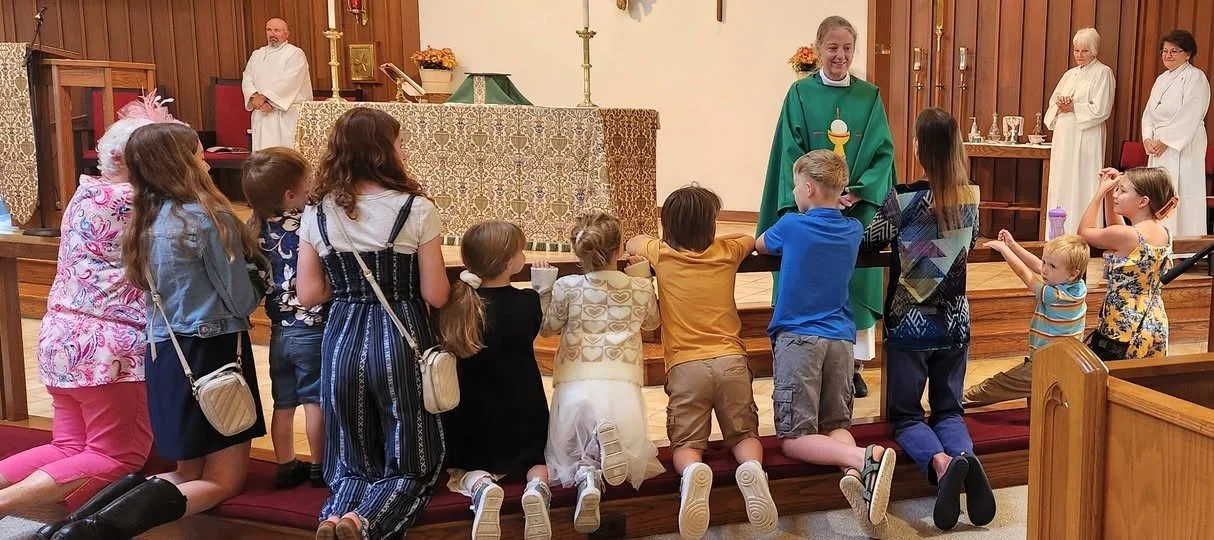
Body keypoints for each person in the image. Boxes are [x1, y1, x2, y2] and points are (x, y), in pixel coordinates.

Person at [51, 122, 269, 539]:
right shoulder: (208, 217)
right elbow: (240, 301)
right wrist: (260, 272)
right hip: (213, 350)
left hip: (165, 352)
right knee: (225, 480)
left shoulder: (144, 218)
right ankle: (96, 530)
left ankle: (71, 525)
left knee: (187, 470)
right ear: (181, 161)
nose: (204, 160)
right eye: (198, 153)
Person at [0, 94, 177, 537]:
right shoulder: (138, 202)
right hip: (108, 347)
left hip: (61, 335)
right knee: (117, 456)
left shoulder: (86, 191)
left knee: (69, 445)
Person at [296, 107, 449, 539]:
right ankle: (364, 523)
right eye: (398, 143)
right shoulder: (415, 209)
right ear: (383, 151)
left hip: (342, 333)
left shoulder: (318, 212)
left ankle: (334, 516)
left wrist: (346, 289)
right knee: (411, 458)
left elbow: (308, 294)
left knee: (351, 457)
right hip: (400, 332)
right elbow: (435, 293)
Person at [861, 108, 995, 531]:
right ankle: (963, 457)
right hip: (955, 321)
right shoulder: (970, 196)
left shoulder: (902, 198)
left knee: (905, 417)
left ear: (918, 148)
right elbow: (968, 241)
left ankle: (939, 463)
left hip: (910, 323)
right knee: (949, 411)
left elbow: (869, 239)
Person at [755, 151, 895, 537]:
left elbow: (761, 244)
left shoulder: (792, 225)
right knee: (836, 423)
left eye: (798, 185)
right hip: (840, 341)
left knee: (793, 439)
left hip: (800, 339)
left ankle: (864, 457)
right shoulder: (851, 230)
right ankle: (861, 479)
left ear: (810, 187)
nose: (795, 191)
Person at [625, 186, 778, 539]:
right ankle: (753, 468)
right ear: (711, 226)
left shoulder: (661, 254)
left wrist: (648, 247)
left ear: (668, 227)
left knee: (687, 442)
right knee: (743, 434)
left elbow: (634, 242)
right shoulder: (727, 250)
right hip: (732, 361)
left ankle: (692, 472)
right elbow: (749, 238)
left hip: (686, 368)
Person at [758, 15, 896, 398]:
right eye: (832, 48)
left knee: (856, 279)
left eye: (847, 48)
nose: (840, 55)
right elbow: (790, 149)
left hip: (856, 206)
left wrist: (859, 190)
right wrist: (821, 195)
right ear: (818, 50)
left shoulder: (869, 96)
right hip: (814, 208)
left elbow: (883, 154)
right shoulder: (800, 95)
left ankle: (852, 365)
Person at [542, 211, 664, 535]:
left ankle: (588, 479)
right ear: (618, 251)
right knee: (623, 446)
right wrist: (641, 275)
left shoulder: (567, 286)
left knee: (568, 455)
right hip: (620, 386)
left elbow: (548, 328)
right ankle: (607, 444)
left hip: (575, 385)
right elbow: (652, 322)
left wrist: (543, 290)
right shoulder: (637, 288)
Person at [438, 221, 556, 540]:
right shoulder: (526, 302)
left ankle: (480, 485)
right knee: (536, 459)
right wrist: (543, 286)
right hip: (524, 410)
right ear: (508, 263)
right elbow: (541, 325)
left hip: (472, 414)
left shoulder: (458, 304)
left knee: (462, 467)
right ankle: (537, 489)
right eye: (520, 251)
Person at [241, 148, 328, 489]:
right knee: (315, 401)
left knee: (284, 402)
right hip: (311, 328)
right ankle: (319, 465)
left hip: (280, 331)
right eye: (307, 184)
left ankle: (286, 464)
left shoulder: (254, 229)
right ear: (290, 195)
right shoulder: (307, 222)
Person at [964, 233, 1089, 407]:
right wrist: (1014, 245)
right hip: (1063, 362)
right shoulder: (1078, 286)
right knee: (1040, 398)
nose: (1044, 269)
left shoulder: (1055, 295)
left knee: (995, 385)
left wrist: (1004, 250)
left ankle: (954, 402)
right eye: (1045, 261)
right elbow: (1038, 266)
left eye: (1052, 266)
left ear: (1072, 274)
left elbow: (1025, 273)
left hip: (1047, 364)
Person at [1078, 167, 1177, 360]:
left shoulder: (1127, 235)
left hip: (1124, 321)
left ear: (1143, 201)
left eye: (1122, 191)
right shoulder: (1163, 232)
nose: (1116, 194)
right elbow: (1117, 230)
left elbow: (1085, 231)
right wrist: (1110, 195)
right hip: (1154, 318)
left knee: (1114, 380)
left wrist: (1099, 192)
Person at [1044, 28, 1116, 233]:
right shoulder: (1069, 74)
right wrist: (1060, 105)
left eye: (1084, 51)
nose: (1079, 55)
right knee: (1062, 182)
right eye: (1076, 50)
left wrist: (1074, 106)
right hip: (1065, 136)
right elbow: (1053, 104)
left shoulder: (1103, 73)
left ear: (1094, 51)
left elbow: (1102, 108)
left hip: (1086, 137)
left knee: (1082, 181)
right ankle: (1057, 232)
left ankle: (1084, 232)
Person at [1142, 29, 1210, 237]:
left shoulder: (1195, 77)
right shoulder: (1161, 79)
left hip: (1183, 144)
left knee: (1182, 192)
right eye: (1164, 51)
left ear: (1187, 54)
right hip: (1158, 145)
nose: (1167, 55)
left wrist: (1166, 140)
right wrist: (1147, 138)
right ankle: (1159, 239)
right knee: (1160, 191)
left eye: (1174, 51)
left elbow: (1191, 112)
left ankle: (1184, 247)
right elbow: (1149, 112)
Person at [242, 18, 313, 150]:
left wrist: (265, 98)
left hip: (286, 116)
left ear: (286, 34)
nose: (272, 34)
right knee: (263, 158)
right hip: (262, 115)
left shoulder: (295, 54)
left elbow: (289, 81)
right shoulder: (257, 54)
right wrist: (254, 97)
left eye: (277, 30)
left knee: (285, 158)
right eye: (269, 30)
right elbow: (247, 77)